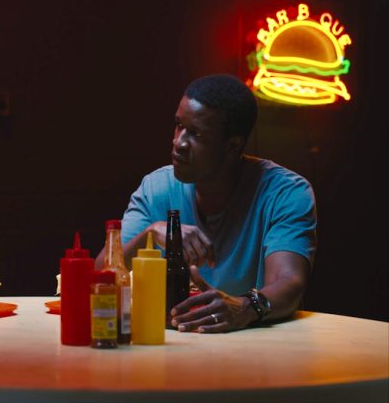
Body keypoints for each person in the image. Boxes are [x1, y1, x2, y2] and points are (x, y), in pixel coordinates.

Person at [97, 74, 316, 333]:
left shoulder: (285, 193)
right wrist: (150, 233)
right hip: (172, 345)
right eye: (179, 126)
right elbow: (101, 274)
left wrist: (243, 307)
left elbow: (289, 281)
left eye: (197, 134)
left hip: (255, 349)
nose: (179, 142)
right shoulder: (156, 188)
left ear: (232, 145)